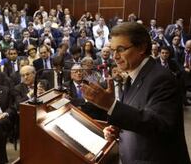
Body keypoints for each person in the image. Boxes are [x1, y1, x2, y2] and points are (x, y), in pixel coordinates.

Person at [81, 22, 190, 163]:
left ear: (142, 47)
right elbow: (138, 115)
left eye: (120, 49)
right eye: (113, 50)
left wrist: (111, 105)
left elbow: (159, 125)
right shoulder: (132, 77)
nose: (115, 56)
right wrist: (118, 129)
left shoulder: (161, 78)